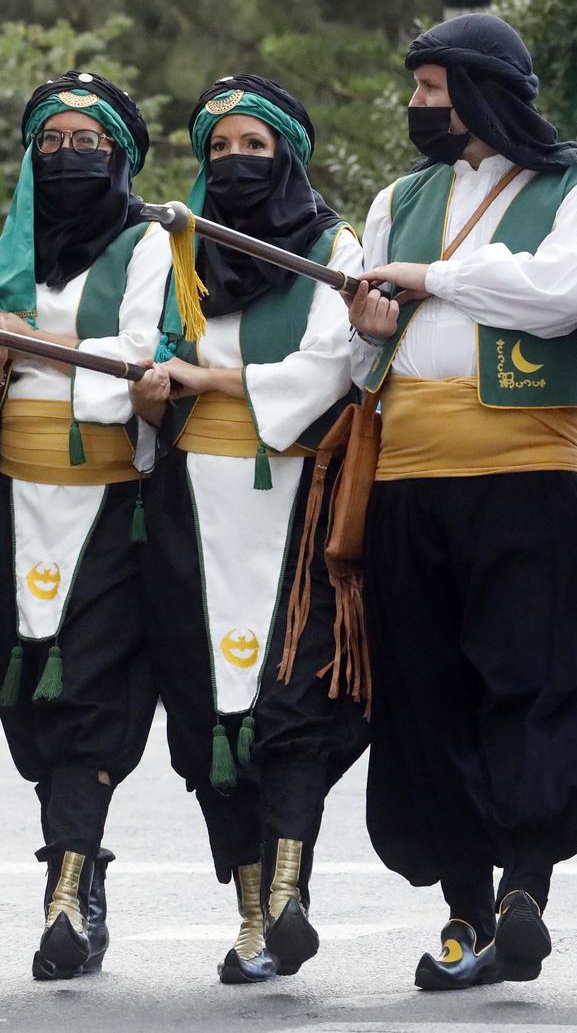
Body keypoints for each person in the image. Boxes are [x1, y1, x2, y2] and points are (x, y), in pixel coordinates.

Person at [349, 13, 577, 991]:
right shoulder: (397, 199)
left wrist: (429, 280)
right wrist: (367, 321)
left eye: (434, 88)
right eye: (417, 87)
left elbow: (558, 294)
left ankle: (524, 887)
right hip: (409, 481)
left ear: (483, 91)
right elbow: (364, 360)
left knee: (530, 684)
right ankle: (464, 910)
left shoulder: (574, 186)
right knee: (428, 697)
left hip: (528, 479)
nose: (419, 105)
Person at [128, 75, 367, 984]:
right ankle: (249, 912)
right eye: (218, 149)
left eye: (252, 148)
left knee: (294, 702)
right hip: (191, 503)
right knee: (205, 711)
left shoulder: (332, 246)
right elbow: (147, 363)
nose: (233, 163)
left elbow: (331, 367)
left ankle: (290, 894)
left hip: (295, 504)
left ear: (289, 155)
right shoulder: (175, 248)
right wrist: (153, 391)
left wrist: (210, 381)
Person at [0, 70, 169, 981]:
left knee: (93, 693)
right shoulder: (1, 254)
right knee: (29, 696)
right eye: (51, 141)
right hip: (12, 498)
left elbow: (136, 355)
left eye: (89, 142)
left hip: (109, 501)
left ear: (122, 155)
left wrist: (33, 345)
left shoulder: (147, 244)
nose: (68, 156)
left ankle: (69, 886)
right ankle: (77, 875)